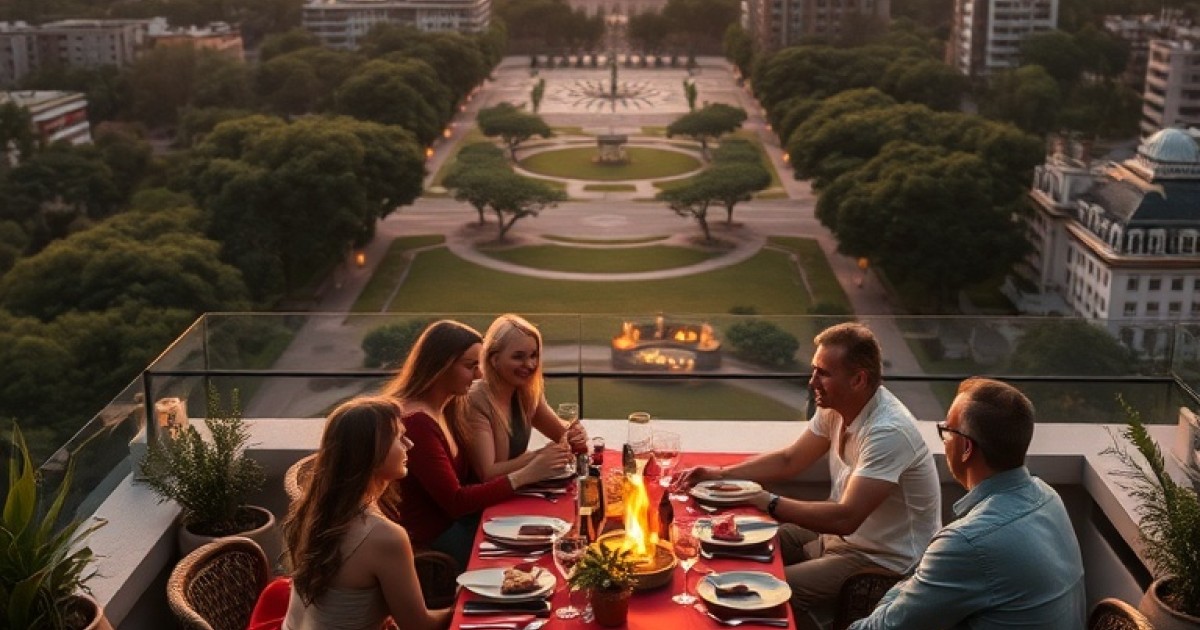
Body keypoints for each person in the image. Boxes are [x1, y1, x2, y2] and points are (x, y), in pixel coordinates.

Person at [675, 322, 941, 627]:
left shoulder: (888, 432)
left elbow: (846, 518)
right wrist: (719, 474)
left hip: (879, 558)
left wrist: (768, 502)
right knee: (735, 544)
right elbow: (790, 460)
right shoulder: (835, 405)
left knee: (764, 591)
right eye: (814, 370)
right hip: (838, 535)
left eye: (823, 373)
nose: (812, 381)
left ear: (858, 379)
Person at [849, 378, 1086, 630]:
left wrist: (901, 591)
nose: (943, 437)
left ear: (966, 448)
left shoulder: (968, 542)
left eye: (946, 430)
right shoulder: (1048, 497)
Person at [382, 320, 569, 569]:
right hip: (437, 539)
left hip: (465, 519)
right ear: (442, 367)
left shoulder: (449, 407)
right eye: (471, 366)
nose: (480, 375)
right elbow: (457, 501)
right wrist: (526, 473)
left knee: (554, 528)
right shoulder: (418, 423)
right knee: (542, 556)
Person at [281, 396, 451, 630]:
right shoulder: (383, 536)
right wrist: (461, 606)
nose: (409, 444)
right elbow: (419, 626)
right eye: (399, 438)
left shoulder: (315, 512)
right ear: (372, 451)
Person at [465, 313, 586, 482]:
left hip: (516, 492)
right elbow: (487, 473)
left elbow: (562, 435)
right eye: (518, 357)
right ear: (494, 359)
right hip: (487, 503)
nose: (529, 365)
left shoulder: (526, 392)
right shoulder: (476, 400)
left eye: (533, 355)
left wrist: (575, 435)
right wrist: (538, 457)